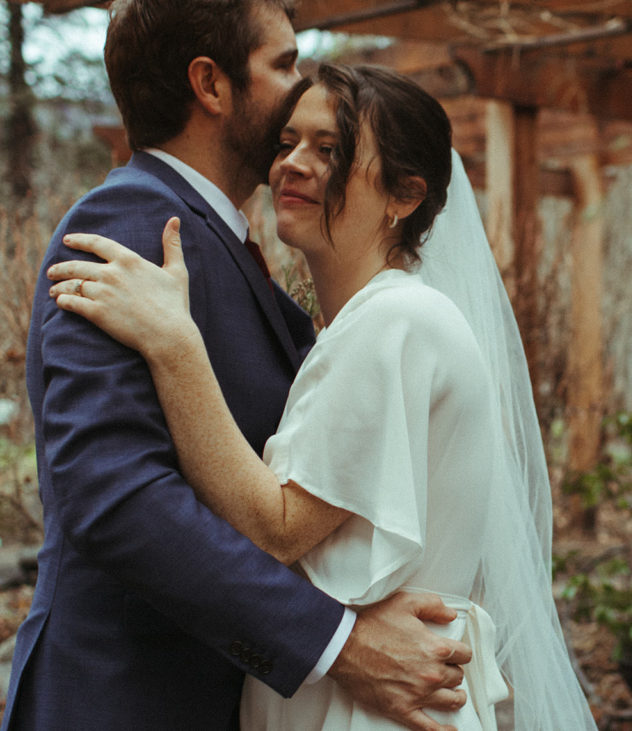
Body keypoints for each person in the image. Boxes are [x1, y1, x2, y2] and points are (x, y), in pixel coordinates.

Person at [46, 63, 598, 730]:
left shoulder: (395, 324)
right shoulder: (367, 323)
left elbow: (278, 527)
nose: (292, 165)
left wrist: (175, 347)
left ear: (404, 194)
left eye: (329, 149)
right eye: (287, 143)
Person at [6, 2, 471, 730]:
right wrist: (336, 642)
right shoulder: (130, 229)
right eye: (284, 64)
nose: (302, 84)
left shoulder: (229, 249)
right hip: (128, 700)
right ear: (211, 85)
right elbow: (115, 495)